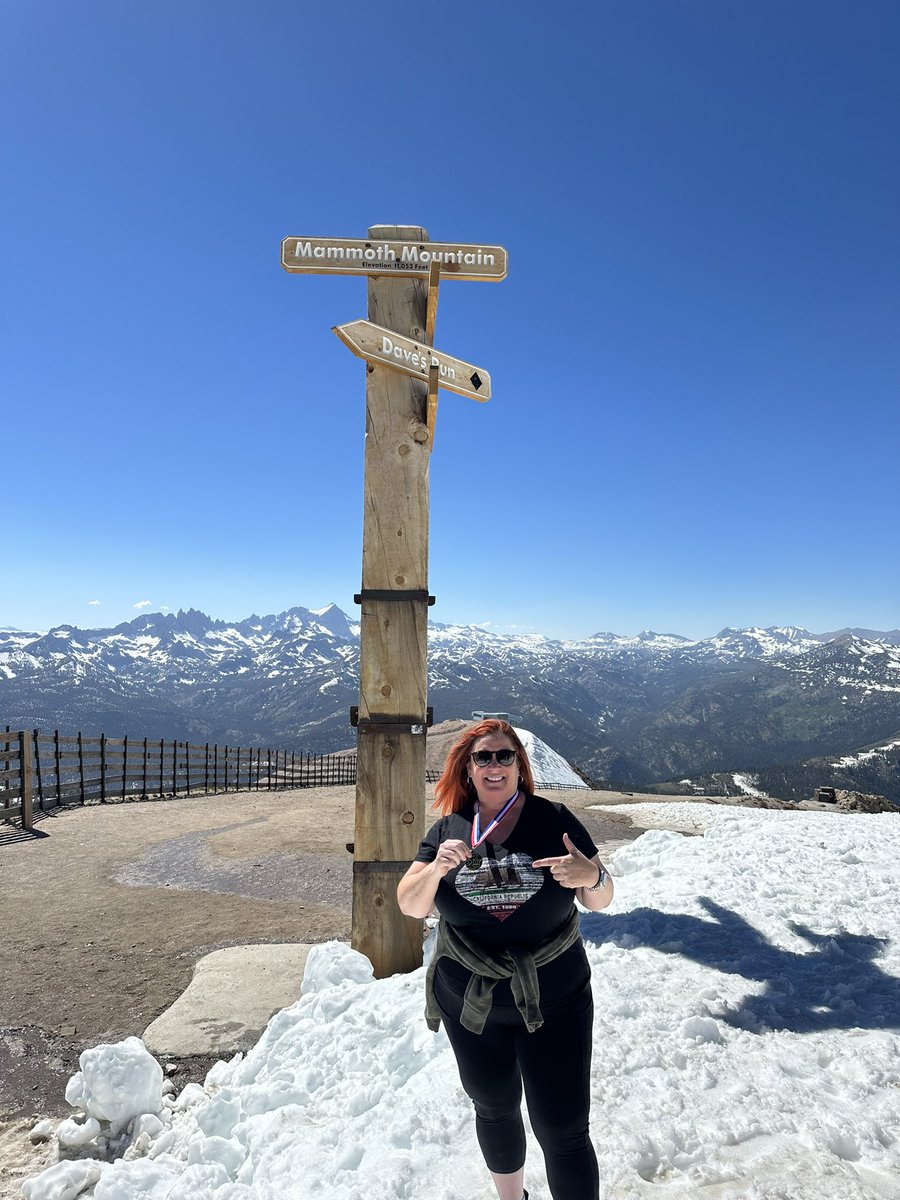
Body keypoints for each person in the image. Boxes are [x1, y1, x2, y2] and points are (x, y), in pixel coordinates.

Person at [397, 719, 613, 1200]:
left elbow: (602, 899)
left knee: (563, 1126)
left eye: (504, 756)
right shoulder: (448, 830)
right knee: (493, 1107)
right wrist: (436, 869)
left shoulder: (554, 819)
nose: (494, 766)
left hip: (555, 1000)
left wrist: (590, 876)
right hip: (472, 1006)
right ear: (468, 770)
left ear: (519, 765)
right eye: (483, 758)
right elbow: (410, 904)